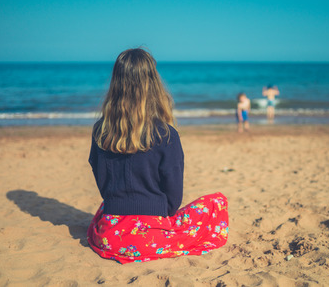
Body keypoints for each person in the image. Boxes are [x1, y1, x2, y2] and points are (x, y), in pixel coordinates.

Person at [87, 48, 229, 264]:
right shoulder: (166, 134)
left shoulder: (100, 130)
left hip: (109, 236)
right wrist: (162, 214)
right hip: (150, 238)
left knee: (102, 209)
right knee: (217, 203)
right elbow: (173, 195)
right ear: (153, 84)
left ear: (116, 83)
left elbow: (102, 184)